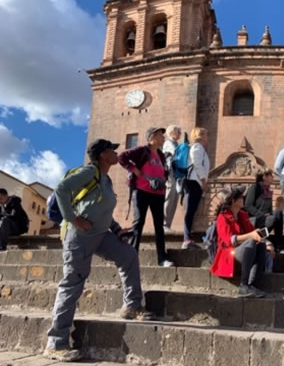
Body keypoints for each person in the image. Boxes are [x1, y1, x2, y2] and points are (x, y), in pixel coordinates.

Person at [43, 139, 153, 362]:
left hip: (101, 234)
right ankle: (56, 343)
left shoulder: (105, 179)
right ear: (103, 155)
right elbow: (62, 189)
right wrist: (73, 219)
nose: (116, 153)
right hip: (79, 237)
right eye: (112, 150)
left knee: (128, 255)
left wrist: (117, 229)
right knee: (72, 284)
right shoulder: (89, 172)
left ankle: (131, 306)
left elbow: (101, 210)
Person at [118, 127, 173, 267]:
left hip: (158, 194)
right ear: (152, 137)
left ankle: (162, 258)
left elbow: (164, 171)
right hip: (141, 191)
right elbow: (122, 157)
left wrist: (164, 178)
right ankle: (132, 258)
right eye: (161, 135)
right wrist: (133, 169)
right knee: (139, 223)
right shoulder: (142, 150)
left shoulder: (160, 155)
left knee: (159, 226)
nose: (163, 137)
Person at [210, 186, 267, 298]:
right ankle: (243, 285)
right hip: (230, 256)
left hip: (244, 253)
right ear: (233, 200)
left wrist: (268, 243)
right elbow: (229, 240)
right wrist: (250, 235)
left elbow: (253, 232)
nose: (244, 198)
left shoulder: (243, 215)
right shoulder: (222, 217)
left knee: (261, 245)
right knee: (250, 242)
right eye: (241, 196)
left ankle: (252, 284)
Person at [183, 127, 211, 250]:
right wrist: (203, 180)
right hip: (194, 182)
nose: (208, 137)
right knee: (190, 211)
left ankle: (188, 238)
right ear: (200, 135)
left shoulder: (199, 148)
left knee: (192, 211)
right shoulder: (197, 147)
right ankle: (186, 239)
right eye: (206, 134)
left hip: (195, 182)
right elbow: (197, 163)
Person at [244, 169, 284, 252]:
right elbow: (248, 205)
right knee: (272, 218)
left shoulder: (268, 191)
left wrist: (269, 215)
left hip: (265, 220)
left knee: (278, 213)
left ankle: (279, 244)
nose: (273, 177)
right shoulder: (254, 188)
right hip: (255, 220)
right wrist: (261, 214)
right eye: (271, 175)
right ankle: (259, 238)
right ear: (264, 177)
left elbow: (270, 210)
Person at [162, 125, 182, 233]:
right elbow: (176, 153)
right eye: (178, 132)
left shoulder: (176, 144)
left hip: (177, 174)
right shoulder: (168, 143)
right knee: (169, 197)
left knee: (174, 199)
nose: (180, 134)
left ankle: (168, 224)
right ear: (172, 133)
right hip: (170, 173)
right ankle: (164, 224)